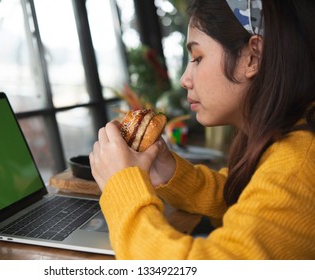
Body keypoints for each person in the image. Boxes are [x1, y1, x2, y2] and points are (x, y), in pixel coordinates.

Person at [89, 0, 315, 259]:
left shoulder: (298, 168)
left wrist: (121, 186)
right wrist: (167, 172)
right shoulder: (288, 139)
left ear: (253, 57)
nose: (185, 80)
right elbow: (245, 198)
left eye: (197, 58)